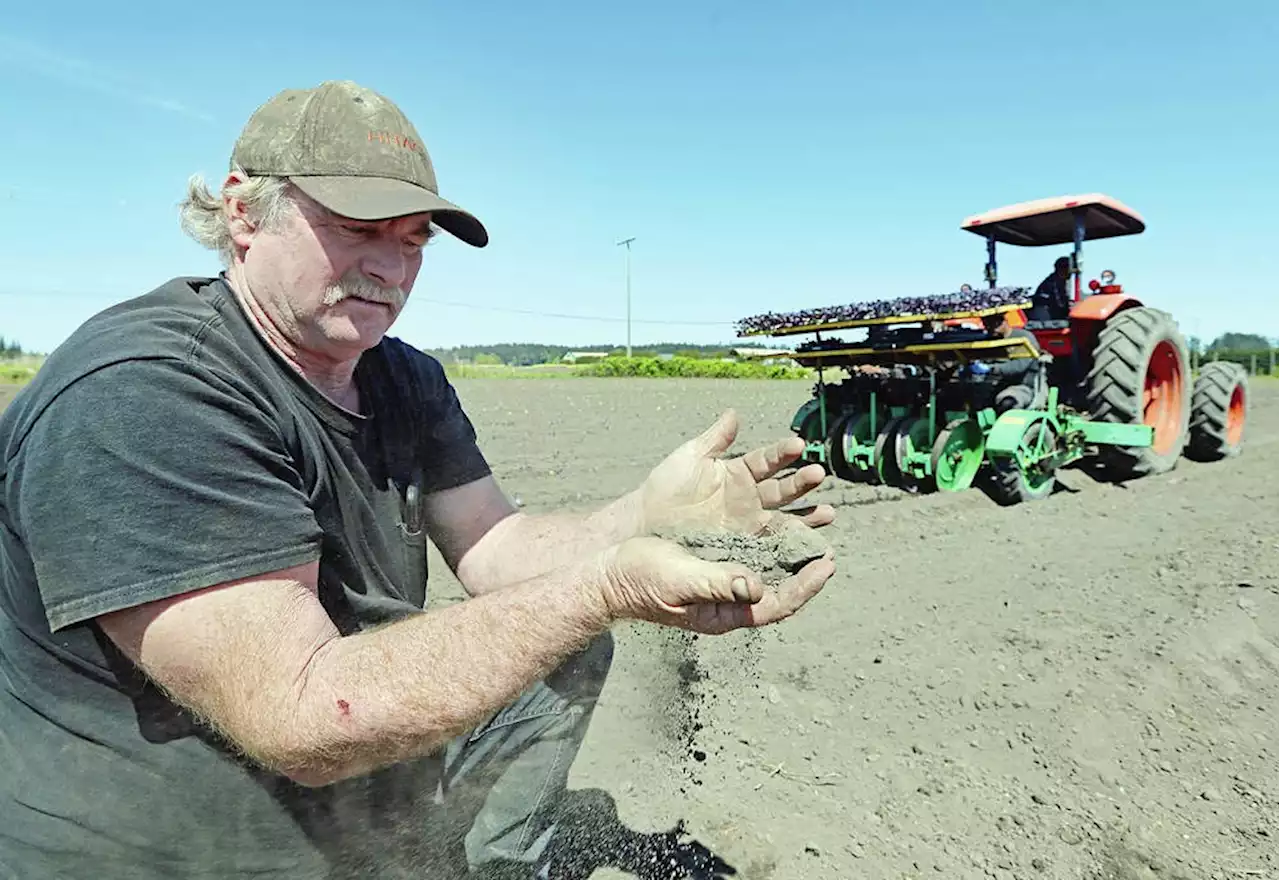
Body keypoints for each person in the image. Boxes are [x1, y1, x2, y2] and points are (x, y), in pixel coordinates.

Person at [0, 80, 837, 880]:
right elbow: (298, 710)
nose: (391, 270)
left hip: (347, 790)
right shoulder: (148, 389)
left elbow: (498, 547)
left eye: (412, 241)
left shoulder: (399, 376)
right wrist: (603, 585)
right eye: (357, 229)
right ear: (244, 212)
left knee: (561, 647)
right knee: (568, 617)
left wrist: (640, 517)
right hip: (166, 844)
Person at [969, 311, 1049, 412]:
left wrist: (991, 368)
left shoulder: (1023, 337)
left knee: (1007, 402)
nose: (990, 328)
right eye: (986, 325)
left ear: (1003, 321)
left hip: (1024, 386)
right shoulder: (991, 340)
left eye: (993, 324)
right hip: (995, 385)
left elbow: (1019, 365)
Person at [1029, 256, 1072, 321]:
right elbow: (1059, 304)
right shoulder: (1052, 283)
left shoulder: (1061, 282)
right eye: (1069, 269)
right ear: (1062, 269)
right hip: (1047, 315)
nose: (1071, 273)